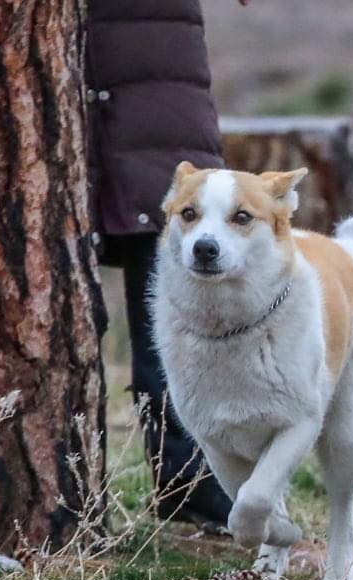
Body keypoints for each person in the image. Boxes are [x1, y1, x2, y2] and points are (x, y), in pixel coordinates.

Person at [85, 0, 249, 527]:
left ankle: (194, 491)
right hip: (124, 111)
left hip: (151, 118)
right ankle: (190, 492)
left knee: (174, 339)